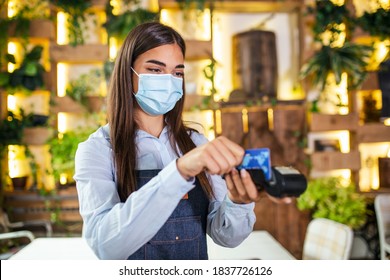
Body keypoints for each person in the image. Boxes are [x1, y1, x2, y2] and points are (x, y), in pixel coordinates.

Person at [74, 21, 278, 260]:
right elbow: (105, 245)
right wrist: (180, 171)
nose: (168, 80)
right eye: (155, 70)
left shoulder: (196, 143)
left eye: (177, 72)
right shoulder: (97, 149)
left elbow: (227, 238)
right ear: (128, 75)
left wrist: (239, 202)